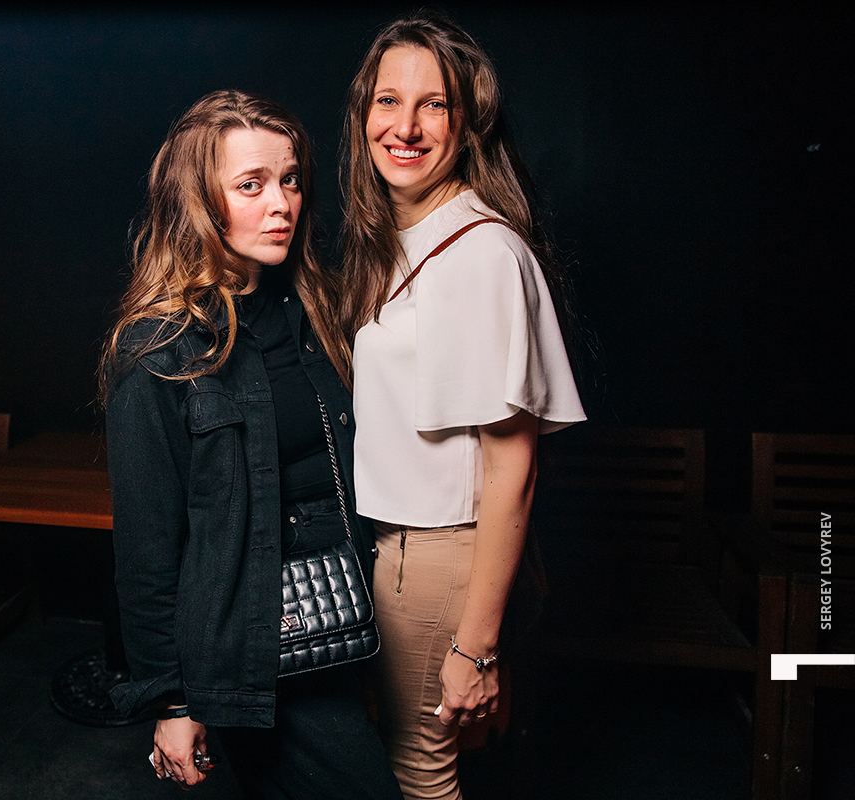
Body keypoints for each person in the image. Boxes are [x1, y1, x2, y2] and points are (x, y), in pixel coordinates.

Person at [99, 89, 403, 800]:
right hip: (254, 640)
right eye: (251, 184)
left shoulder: (315, 310)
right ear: (200, 203)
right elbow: (147, 546)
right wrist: (172, 700)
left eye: (290, 180)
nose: (281, 204)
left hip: (349, 613)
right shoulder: (159, 349)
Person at [339, 11, 587, 799]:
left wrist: (476, 646)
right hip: (405, 551)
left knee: (422, 773)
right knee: (416, 762)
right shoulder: (408, 239)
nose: (405, 126)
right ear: (363, 114)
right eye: (388, 101)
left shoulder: (479, 253)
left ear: (468, 122)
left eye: (433, 105)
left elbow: (515, 466)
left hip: (438, 557)